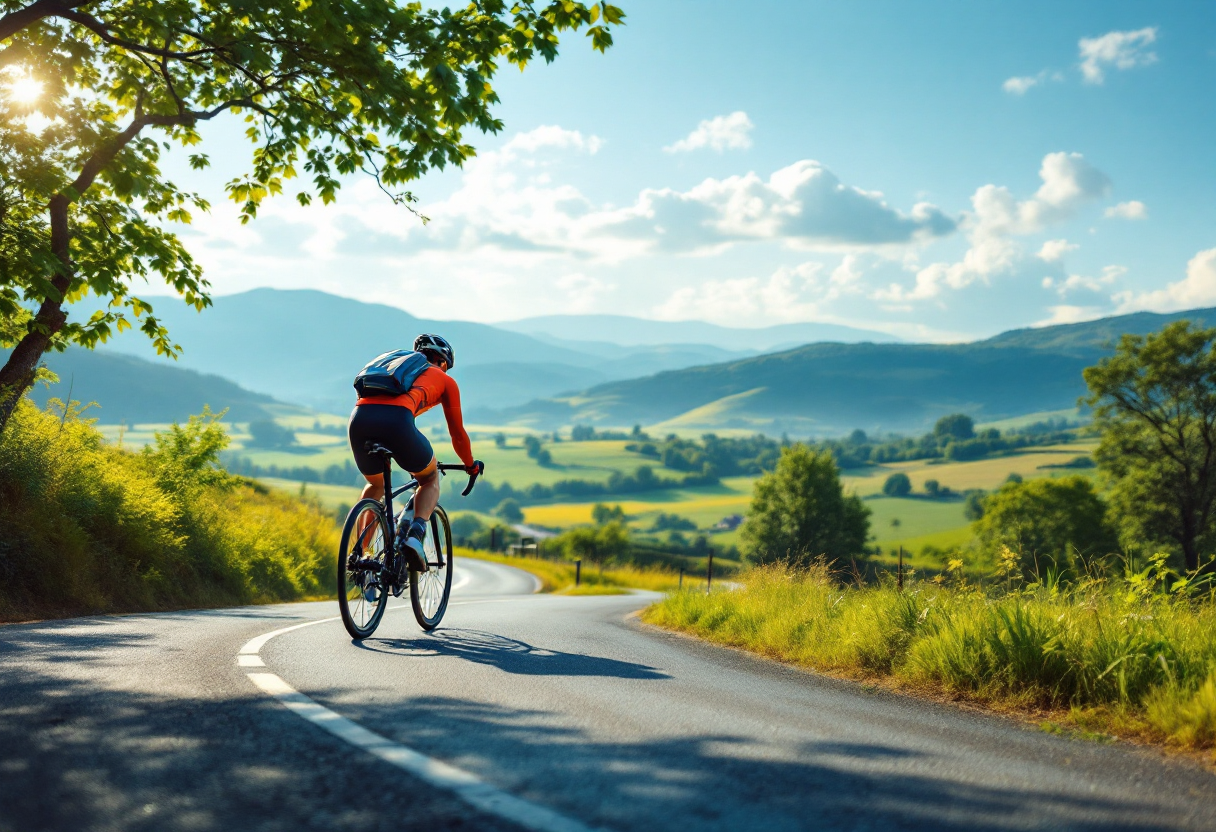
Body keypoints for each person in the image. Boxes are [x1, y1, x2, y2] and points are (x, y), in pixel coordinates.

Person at [347, 333, 481, 569]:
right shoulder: (443, 379)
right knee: (429, 478)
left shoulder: (393, 368)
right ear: (442, 362)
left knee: (375, 485)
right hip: (397, 423)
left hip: (359, 420)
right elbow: (458, 434)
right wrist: (470, 464)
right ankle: (414, 535)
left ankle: (362, 554)